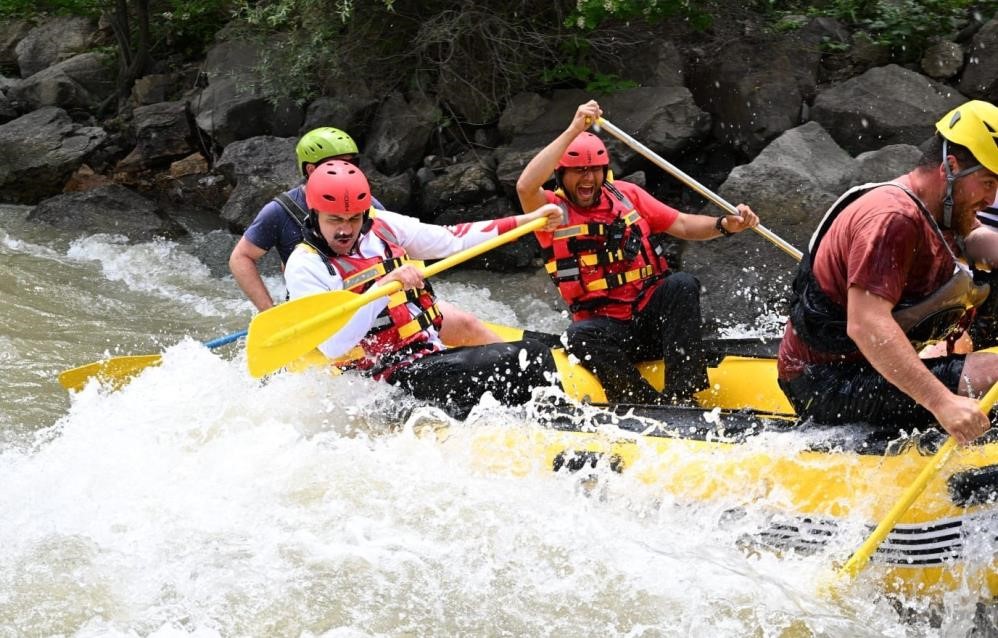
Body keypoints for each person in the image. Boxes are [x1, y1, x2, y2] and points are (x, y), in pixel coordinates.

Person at [777, 99, 998, 445]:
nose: (992, 198)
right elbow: (866, 325)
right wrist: (943, 403)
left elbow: (979, 244)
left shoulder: (941, 208)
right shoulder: (892, 218)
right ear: (950, 167)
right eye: (988, 183)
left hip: (863, 367)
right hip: (825, 383)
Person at [515, 99, 759, 405]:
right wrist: (575, 128)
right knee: (578, 337)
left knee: (681, 283)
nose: (587, 178)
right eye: (578, 171)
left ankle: (683, 395)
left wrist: (725, 224)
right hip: (608, 331)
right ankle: (643, 401)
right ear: (561, 175)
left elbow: (682, 224)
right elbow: (525, 187)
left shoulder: (627, 196)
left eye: (594, 170)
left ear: (605, 171)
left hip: (650, 322)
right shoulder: (551, 212)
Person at [285, 159, 563, 417]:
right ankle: (550, 420)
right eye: (335, 220)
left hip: (427, 356)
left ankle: (552, 415)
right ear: (315, 213)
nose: (345, 230)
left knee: (530, 352)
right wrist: (384, 286)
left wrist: (527, 220)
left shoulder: (382, 227)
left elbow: (450, 240)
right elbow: (334, 345)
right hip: (383, 382)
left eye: (354, 219)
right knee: (528, 358)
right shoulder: (305, 265)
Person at [229, 126, 501, 347]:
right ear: (311, 170)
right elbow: (241, 257)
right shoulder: (279, 211)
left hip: (371, 298)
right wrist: (270, 311)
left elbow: (390, 250)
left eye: (353, 164)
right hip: (318, 304)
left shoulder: (365, 204)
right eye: (341, 164)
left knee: (467, 323)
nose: (351, 172)